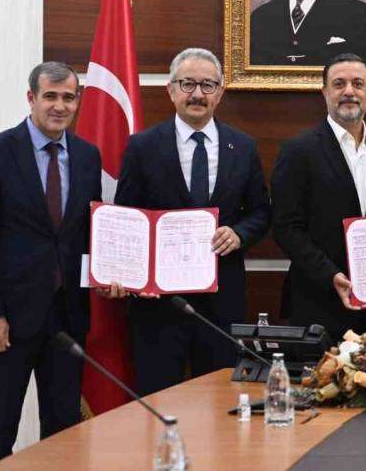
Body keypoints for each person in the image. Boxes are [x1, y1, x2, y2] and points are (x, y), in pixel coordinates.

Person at [0, 62, 102, 470]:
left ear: (78, 101)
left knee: (63, 434)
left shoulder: (88, 156)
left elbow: (89, 231)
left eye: (68, 97)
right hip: (8, 322)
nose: (59, 106)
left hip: (67, 320)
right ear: (31, 98)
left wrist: (111, 273)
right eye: (50, 96)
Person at [112, 48, 271, 396]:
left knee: (219, 404)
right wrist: (132, 275)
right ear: (170, 90)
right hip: (158, 306)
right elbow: (127, 219)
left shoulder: (242, 146)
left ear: (220, 92)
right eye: (187, 84)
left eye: (207, 85)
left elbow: (261, 212)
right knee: (157, 404)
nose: (197, 94)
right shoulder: (142, 147)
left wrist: (239, 234)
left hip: (221, 305)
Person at [271, 52, 366, 340]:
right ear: (324, 92)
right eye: (339, 84)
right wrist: (330, 275)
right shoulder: (298, 150)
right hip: (317, 301)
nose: (349, 91)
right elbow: (286, 228)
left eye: (358, 84)